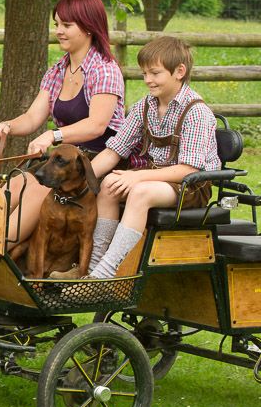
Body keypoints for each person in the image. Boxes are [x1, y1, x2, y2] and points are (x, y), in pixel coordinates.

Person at [0, 0, 126, 245]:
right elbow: (31, 118)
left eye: (67, 24)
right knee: (11, 188)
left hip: (96, 162)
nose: (59, 30)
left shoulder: (105, 69)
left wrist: (53, 134)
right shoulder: (58, 70)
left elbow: (97, 125)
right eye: (57, 24)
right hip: (63, 159)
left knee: (34, 192)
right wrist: (7, 126)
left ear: (88, 27)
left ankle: (3, 247)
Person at [85, 35, 220, 279]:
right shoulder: (144, 106)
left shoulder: (197, 112)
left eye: (155, 73)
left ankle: (106, 272)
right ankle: (92, 267)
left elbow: (188, 170)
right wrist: (83, 180)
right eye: (144, 73)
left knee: (140, 192)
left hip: (191, 187)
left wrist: (138, 178)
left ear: (179, 71)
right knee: (108, 184)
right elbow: (114, 150)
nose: (148, 80)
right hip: (154, 178)